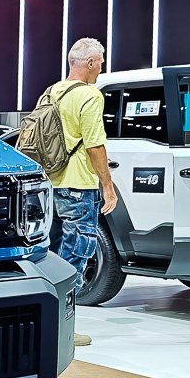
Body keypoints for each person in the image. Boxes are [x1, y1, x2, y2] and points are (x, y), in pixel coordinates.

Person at [44, 37, 117, 347]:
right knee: (75, 257)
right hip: (78, 186)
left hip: (50, 184)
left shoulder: (51, 92)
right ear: (89, 63)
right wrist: (108, 186)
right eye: (100, 62)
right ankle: (63, 330)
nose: (101, 67)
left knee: (49, 257)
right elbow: (95, 145)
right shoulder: (89, 95)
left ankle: (44, 324)